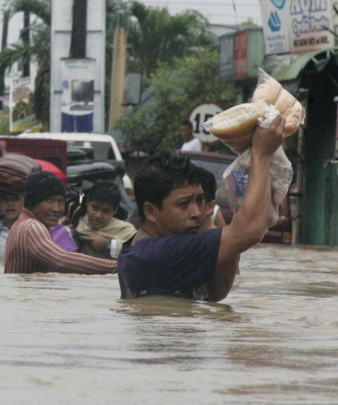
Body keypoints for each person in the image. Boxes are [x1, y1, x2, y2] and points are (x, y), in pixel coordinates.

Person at [117, 116, 284, 301]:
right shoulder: (157, 253)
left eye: (199, 201)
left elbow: (215, 294)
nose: (197, 213)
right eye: (184, 204)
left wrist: (239, 236)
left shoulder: (146, 246)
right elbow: (249, 232)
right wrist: (261, 154)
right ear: (150, 212)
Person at [4, 171, 118, 275]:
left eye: (61, 202)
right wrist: (118, 266)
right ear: (33, 201)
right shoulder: (32, 227)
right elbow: (61, 260)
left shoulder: (21, 223)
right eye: (49, 201)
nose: (57, 209)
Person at [72, 181, 137, 259]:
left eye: (106, 211)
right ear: (87, 203)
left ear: (115, 210)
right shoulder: (75, 223)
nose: (98, 215)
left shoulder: (125, 230)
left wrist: (108, 244)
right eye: (95, 208)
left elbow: (136, 252)